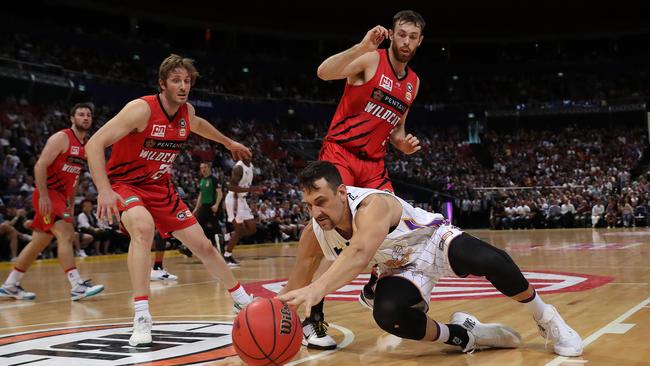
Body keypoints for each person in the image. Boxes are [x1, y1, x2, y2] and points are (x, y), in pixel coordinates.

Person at [278, 161, 583, 357]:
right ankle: (465, 334)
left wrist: (318, 289)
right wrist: (271, 312)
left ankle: (547, 318)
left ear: (342, 192)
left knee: (492, 260)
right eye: (308, 206)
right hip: (396, 267)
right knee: (388, 316)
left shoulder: (372, 205)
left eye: (321, 202)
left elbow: (358, 254)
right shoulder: (315, 231)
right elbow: (297, 282)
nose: (315, 213)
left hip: (432, 241)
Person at [85, 54, 253, 347]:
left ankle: (241, 300)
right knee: (142, 228)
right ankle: (141, 315)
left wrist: (229, 143)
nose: (183, 85)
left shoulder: (186, 112)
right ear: (162, 84)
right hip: (125, 183)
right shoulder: (140, 109)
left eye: (187, 80)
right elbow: (94, 143)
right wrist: (103, 189)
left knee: (203, 245)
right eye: (176, 80)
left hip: (159, 187)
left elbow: (198, 124)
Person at [302, 9, 426, 349]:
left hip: (374, 163)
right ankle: (312, 318)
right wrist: (360, 46)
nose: (405, 41)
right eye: (401, 34)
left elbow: (396, 128)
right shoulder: (370, 59)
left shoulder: (413, 83)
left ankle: (374, 285)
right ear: (393, 33)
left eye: (412, 37)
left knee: (392, 228)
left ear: (419, 41)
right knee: (326, 235)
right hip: (340, 153)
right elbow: (324, 72)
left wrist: (404, 143)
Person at [0, 103, 105, 301]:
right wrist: (44, 195)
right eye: (81, 115)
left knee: (38, 243)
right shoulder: (62, 137)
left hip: (61, 197)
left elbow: (74, 178)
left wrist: (71, 203)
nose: (85, 118)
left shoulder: (86, 146)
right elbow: (40, 166)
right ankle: (76, 286)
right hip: (48, 193)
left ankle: (10, 284)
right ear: (72, 118)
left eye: (88, 115)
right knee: (66, 234)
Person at [223, 157, 262, 266]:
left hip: (242, 200)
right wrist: (251, 190)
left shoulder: (250, 166)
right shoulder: (238, 168)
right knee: (239, 230)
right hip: (234, 200)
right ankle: (227, 255)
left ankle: (229, 236)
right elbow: (231, 187)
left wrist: (252, 190)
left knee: (252, 228)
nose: (248, 154)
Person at [192, 162, 223, 250]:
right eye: (201, 168)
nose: (203, 169)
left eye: (205, 167)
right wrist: (196, 208)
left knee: (216, 227)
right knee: (197, 226)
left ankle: (221, 248)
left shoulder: (214, 179)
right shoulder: (201, 180)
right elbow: (201, 195)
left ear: (209, 168)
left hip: (212, 207)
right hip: (204, 207)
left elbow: (220, 193)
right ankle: (192, 248)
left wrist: (216, 205)